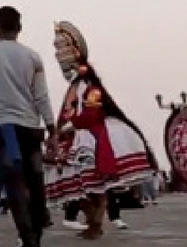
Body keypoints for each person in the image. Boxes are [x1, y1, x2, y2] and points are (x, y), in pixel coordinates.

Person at [44, 21, 155, 239]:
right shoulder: (74, 88)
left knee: (95, 186)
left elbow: (92, 115)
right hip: (74, 138)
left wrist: (71, 124)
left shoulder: (91, 88)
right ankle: (92, 222)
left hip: (90, 138)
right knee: (78, 188)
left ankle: (96, 224)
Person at [0, 6, 57, 247]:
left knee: (13, 181)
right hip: (31, 127)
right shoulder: (32, 57)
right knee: (35, 180)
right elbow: (42, 97)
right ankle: (36, 234)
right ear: (19, 28)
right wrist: (52, 129)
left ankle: (27, 237)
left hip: (4, 127)